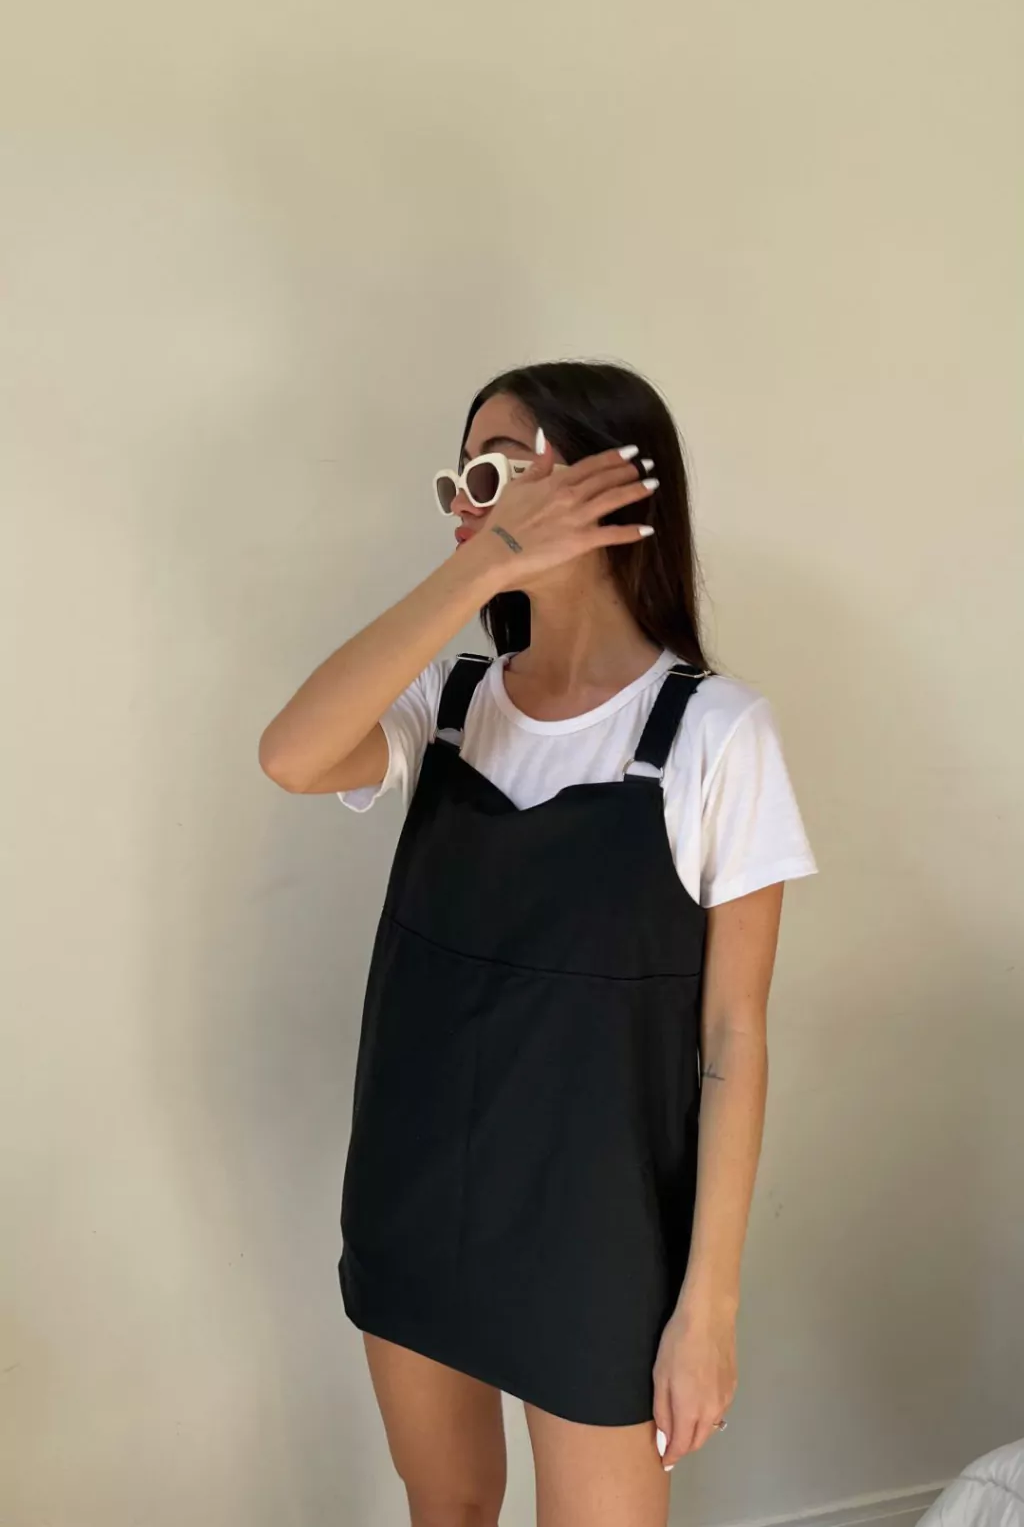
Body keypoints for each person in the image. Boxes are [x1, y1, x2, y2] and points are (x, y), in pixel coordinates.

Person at [259, 359, 817, 1527]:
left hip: (599, 1234)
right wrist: (482, 565)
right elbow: (291, 753)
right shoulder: (449, 705)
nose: (466, 504)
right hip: (416, 1195)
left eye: (494, 472)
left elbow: (733, 1038)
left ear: (607, 488)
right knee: (448, 1506)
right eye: (456, 481)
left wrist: (707, 1307)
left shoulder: (716, 733)